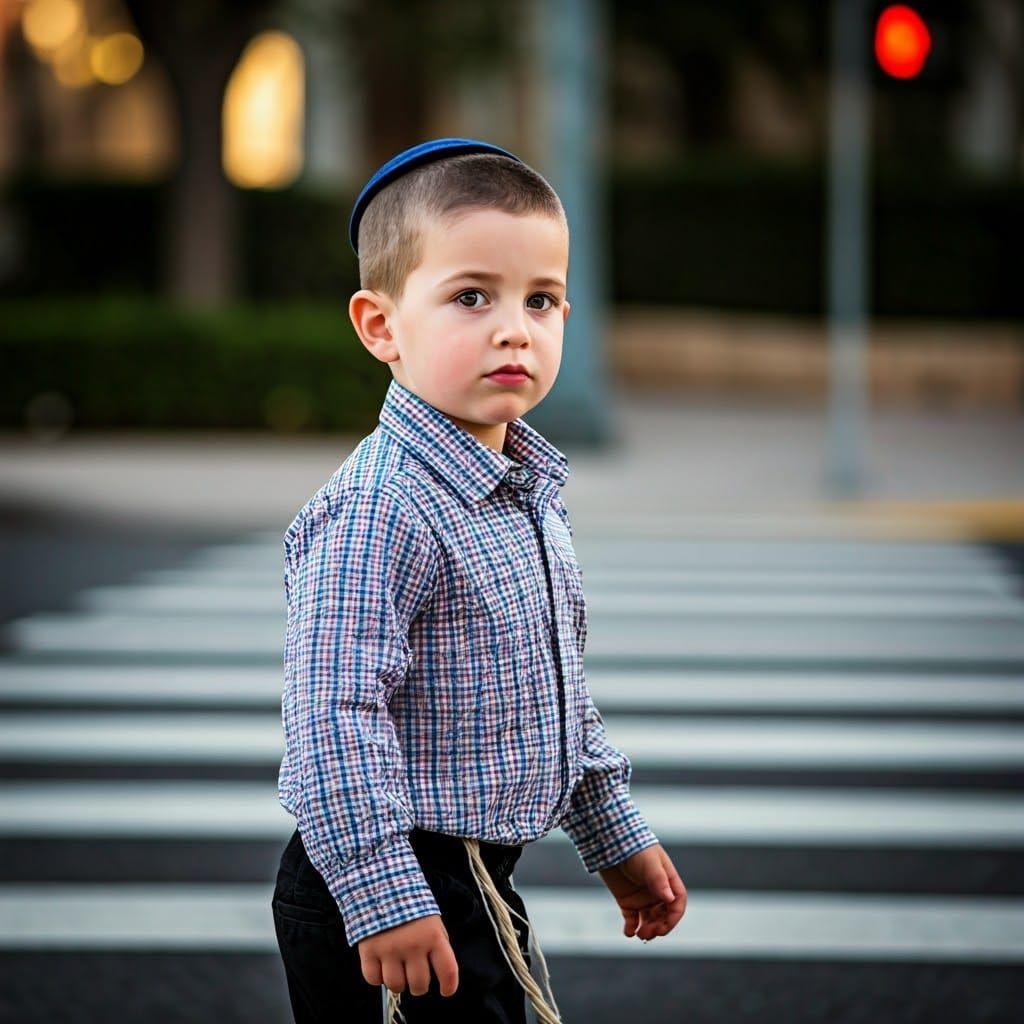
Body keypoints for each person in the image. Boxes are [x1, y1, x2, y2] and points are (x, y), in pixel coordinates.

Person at [271, 138, 688, 1024]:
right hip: (395, 874)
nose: (514, 328)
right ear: (381, 325)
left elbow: (551, 693)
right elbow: (329, 719)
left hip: (469, 876)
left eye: (541, 300)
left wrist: (612, 832)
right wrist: (385, 895)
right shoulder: (383, 509)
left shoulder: (524, 489)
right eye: (472, 297)